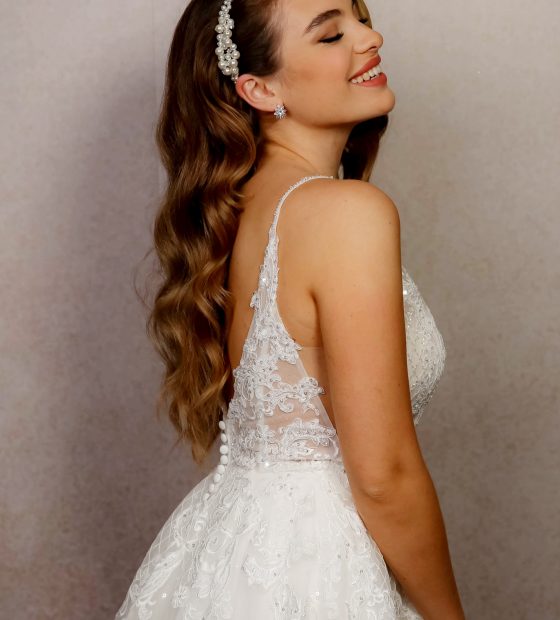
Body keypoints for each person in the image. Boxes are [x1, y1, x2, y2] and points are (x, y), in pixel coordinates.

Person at [116, 0, 465, 618]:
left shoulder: (236, 209)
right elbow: (382, 475)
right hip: (320, 565)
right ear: (259, 88)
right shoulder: (343, 213)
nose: (371, 38)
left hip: (233, 548)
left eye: (360, 18)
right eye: (331, 34)